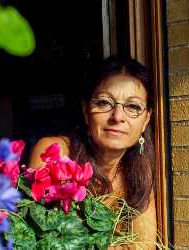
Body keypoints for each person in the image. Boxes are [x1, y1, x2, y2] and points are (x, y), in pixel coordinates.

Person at [28, 56, 157, 250]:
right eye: (105, 103)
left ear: (146, 119)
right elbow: (42, 241)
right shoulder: (55, 153)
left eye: (133, 106)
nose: (117, 117)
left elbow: (145, 244)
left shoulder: (138, 166)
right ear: (86, 110)